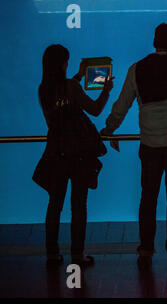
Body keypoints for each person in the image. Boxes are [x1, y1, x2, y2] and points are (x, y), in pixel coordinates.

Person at [100, 23, 167, 270]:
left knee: (148, 198)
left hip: (149, 144)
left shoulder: (137, 69)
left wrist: (109, 129)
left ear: (155, 43)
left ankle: (145, 249)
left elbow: (122, 105)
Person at [36, 44, 113, 266]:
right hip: (79, 154)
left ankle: (52, 254)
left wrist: (79, 75)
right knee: (78, 205)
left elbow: (63, 98)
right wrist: (106, 90)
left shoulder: (43, 90)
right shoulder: (71, 87)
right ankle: (77, 255)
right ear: (62, 64)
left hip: (56, 153)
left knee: (55, 204)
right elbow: (96, 109)